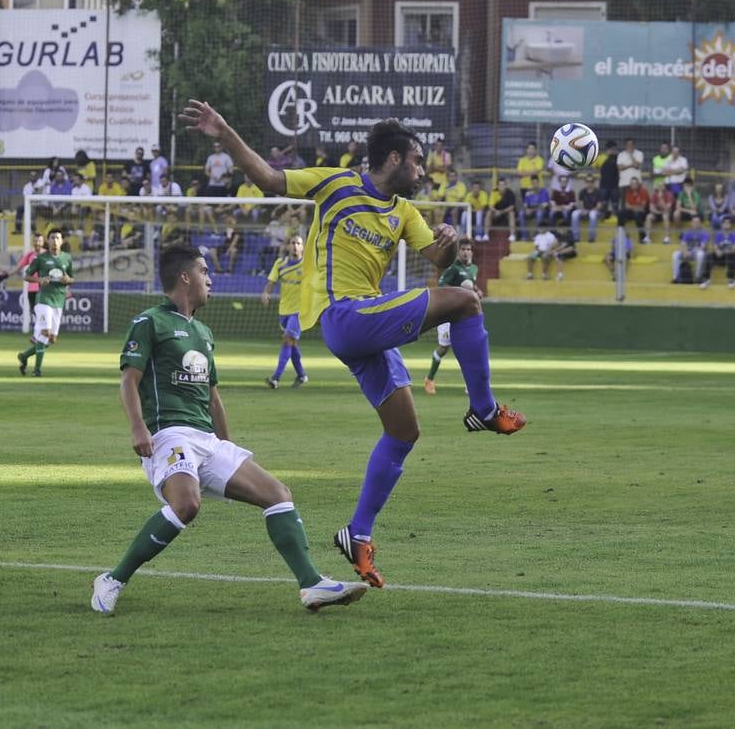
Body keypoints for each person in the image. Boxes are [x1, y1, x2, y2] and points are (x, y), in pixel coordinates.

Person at [180, 99, 526, 589]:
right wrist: (224, 130)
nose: (423, 171)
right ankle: (484, 409)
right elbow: (269, 180)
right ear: (392, 160)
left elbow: (437, 257)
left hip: (367, 324)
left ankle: (356, 534)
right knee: (467, 302)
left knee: (404, 431)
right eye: (417, 161)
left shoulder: (404, 212)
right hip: (344, 315)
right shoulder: (337, 183)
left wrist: (447, 242)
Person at [92, 243, 368, 616]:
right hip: (168, 434)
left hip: (206, 439)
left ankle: (311, 585)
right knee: (186, 505)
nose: (211, 279)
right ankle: (113, 579)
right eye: (204, 272)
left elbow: (213, 397)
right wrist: (138, 429)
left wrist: (226, 446)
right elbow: (129, 381)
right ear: (185, 277)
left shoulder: (204, 332)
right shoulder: (149, 322)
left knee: (277, 493)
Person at [424, 238, 480, 395]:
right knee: (443, 349)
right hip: (447, 314)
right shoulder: (453, 268)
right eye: (463, 249)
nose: (466, 252)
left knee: (466, 348)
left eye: (469, 249)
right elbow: (442, 286)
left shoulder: (474, 268)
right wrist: (459, 290)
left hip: (463, 316)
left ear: (472, 252)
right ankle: (429, 379)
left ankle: (471, 385)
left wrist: (477, 291)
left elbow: (472, 286)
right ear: (458, 251)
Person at [17, 228, 74, 377]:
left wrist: (68, 280)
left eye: (58, 238)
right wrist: (40, 280)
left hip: (58, 300)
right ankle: (37, 370)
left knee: (52, 339)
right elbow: (27, 276)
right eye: (52, 238)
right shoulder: (41, 259)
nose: (55, 241)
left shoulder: (67, 258)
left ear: (62, 241)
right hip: (43, 300)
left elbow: (72, 278)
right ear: (47, 241)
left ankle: (24, 356)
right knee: (45, 332)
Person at [261, 234, 309, 390]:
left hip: (300, 310)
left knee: (287, 339)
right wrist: (266, 292)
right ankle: (302, 375)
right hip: (284, 310)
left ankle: (275, 378)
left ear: (303, 247)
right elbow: (271, 282)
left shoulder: (308, 265)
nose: (295, 246)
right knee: (292, 344)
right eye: (293, 243)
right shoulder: (280, 264)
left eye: (298, 243)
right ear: (288, 246)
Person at [671, 215, 709, 285]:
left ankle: (698, 277)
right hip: (687, 252)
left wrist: (691, 252)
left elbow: (702, 247)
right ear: (691, 223)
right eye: (694, 222)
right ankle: (675, 278)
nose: (695, 224)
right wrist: (685, 252)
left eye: (697, 222)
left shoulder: (704, 233)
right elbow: (683, 244)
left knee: (700, 254)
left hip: (696, 253)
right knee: (675, 254)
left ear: (700, 223)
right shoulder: (687, 232)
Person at [708, 216, 735, 288]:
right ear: (722, 225)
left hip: (732, 256)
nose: (726, 224)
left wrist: (723, 252)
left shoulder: (734, 234)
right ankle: (706, 278)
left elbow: (734, 249)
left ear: (731, 225)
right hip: (722, 258)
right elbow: (715, 246)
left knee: (733, 255)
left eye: (728, 223)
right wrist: (717, 251)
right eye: (724, 223)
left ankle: (731, 279)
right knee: (709, 256)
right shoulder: (718, 234)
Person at [618, 177, 650, 242]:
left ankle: (642, 237)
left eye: (635, 183)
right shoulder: (628, 191)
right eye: (632, 183)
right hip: (633, 212)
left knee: (637, 215)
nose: (633, 185)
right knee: (620, 213)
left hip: (643, 212)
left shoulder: (643, 191)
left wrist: (632, 207)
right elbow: (627, 206)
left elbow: (642, 207)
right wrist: (635, 207)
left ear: (638, 184)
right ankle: (621, 234)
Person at [572, 176, 602, 242]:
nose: (589, 183)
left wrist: (590, 211)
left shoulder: (598, 192)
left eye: (591, 182)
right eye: (588, 182)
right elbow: (580, 203)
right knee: (574, 214)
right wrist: (583, 210)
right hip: (584, 210)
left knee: (592, 214)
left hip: (595, 211)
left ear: (594, 183)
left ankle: (591, 237)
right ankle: (576, 237)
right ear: (585, 182)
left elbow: (599, 206)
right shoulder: (582, 192)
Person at [598, 139, 620, 215]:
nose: (613, 150)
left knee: (615, 204)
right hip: (603, 185)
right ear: (607, 148)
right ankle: (603, 218)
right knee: (603, 203)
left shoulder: (618, 158)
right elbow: (594, 166)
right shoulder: (601, 157)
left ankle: (615, 218)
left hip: (615, 185)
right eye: (612, 148)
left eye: (615, 149)